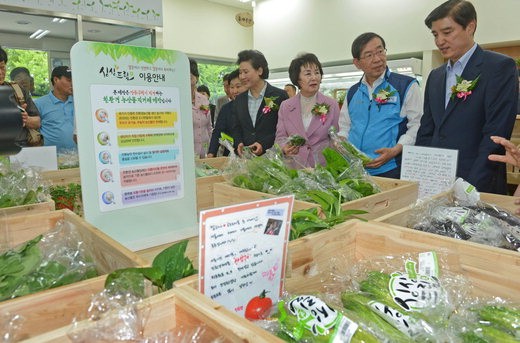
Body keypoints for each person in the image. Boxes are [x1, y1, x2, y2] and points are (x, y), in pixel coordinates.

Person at [416, 0, 519, 194]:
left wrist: (469, 187)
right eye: (435, 34)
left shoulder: (498, 67)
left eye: (447, 32)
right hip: (436, 182)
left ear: (470, 27)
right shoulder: (436, 76)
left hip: (478, 182)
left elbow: (495, 134)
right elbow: (427, 130)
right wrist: (421, 175)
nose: (439, 41)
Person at [339, 32, 423, 178]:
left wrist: (396, 150)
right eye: (369, 55)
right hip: (356, 170)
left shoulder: (406, 85)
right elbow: (345, 126)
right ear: (357, 63)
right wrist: (341, 142)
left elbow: (417, 125)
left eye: (380, 51)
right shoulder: (353, 92)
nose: (377, 59)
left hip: (391, 168)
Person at [275, 53, 340, 168]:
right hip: (295, 166)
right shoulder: (286, 106)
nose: (314, 77)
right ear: (297, 79)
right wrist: (285, 147)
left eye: (317, 72)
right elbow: (280, 138)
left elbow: (336, 137)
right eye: (308, 74)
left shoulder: (331, 104)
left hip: (322, 168)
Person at [231, 49, 288, 156]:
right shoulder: (239, 99)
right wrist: (239, 142)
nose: (242, 77)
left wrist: (263, 144)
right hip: (247, 159)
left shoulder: (280, 96)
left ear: (260, 71)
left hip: (273, 156)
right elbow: (236, 127)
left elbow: (284, 129)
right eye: (240, 72)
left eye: (246, 72)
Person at [0, 46, 41, 147]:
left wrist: (25, 119)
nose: (0, 73)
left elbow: (37, 122)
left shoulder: (18, 90)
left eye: (2, 67)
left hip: (21, 148)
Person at [34, 66, 76, 153]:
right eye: (69, 80)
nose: (73, 83)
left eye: (74, 79)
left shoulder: (79, 103)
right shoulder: (39, 104)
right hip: (51, 158)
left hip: (79, 157)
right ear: (56, 80)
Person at [207, 69, 245, 157]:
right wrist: (211, 153)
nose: (235, 91)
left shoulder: (252, 107)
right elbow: (217, 132)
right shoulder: (226, 108)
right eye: (232, 87)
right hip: (230, 157)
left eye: (238, 86)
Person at [189, 58, 212, 159]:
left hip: (204, 150)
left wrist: (212, 150)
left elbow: (208, 125)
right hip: (188, 150)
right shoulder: (178, 100)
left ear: (196, 77)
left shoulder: (203, 99)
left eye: (190, 74)